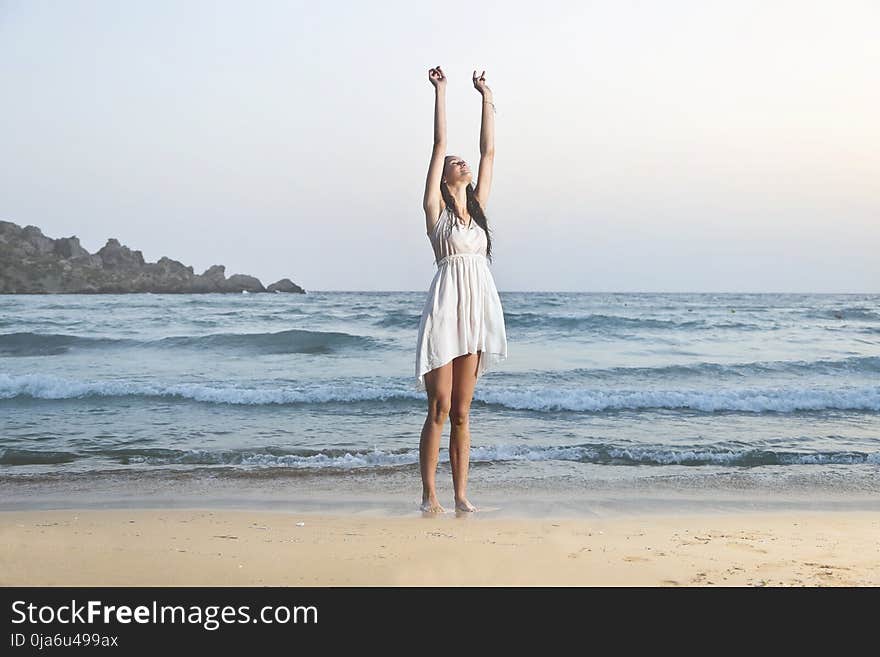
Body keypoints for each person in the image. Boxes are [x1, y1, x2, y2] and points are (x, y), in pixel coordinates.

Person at [415, 65, 508, 513]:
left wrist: (486, 95)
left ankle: (461, 495)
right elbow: (437, 145)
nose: (462, 162)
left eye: (461, 162)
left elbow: (489, 152)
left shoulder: (478, 208)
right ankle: (430, 495)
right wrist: (442, 91)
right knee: (439, 406)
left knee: (464, 413)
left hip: (476, 308)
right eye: (455, 162)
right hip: (445, 307)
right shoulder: (436, 212)